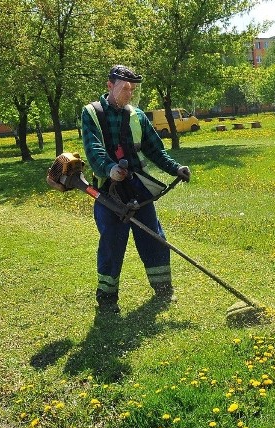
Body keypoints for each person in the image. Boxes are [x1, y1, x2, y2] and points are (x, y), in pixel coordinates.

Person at [81, 64, 191, 314]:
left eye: (132, 89)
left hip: (138, 187)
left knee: (154, 238)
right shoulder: (91, 113)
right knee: (111, 242)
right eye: (124, 88)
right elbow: (93, 148)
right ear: (110, 86)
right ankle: (107, 299)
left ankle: (163, 290)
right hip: (108, 192)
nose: (128, 94)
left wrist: (176, 169)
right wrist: (109, 168)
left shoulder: (137, 116)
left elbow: (155, 150)